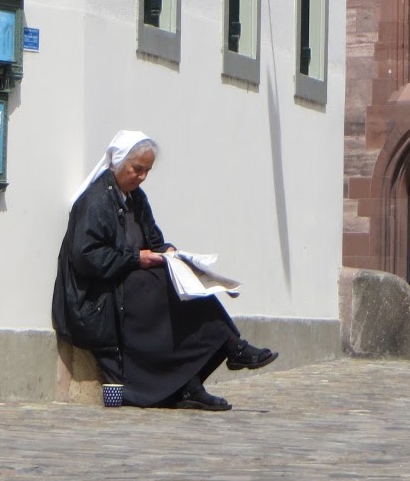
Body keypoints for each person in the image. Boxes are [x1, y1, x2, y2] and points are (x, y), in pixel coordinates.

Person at [52, 129, 277, 411]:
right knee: (163, 287)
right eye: (137, 169)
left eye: (147, 170)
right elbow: (86, 256)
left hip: (130, 281)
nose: (142, 176)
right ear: (120, 164)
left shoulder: (137, 198)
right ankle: (230, 349)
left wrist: (169, 253)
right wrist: (136, 258)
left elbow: (153, 241)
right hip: (98, 297)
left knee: (184, 284)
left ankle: (202, 373)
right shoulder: (95, 201)